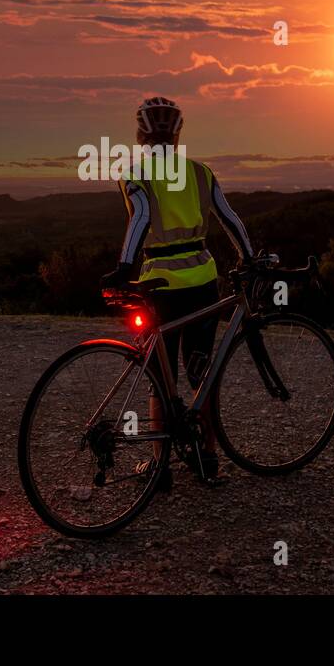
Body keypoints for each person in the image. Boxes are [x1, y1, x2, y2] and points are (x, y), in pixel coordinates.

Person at [101, 96, 255, 488]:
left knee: (159, 376)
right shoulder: (201, 173)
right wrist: (250, 257)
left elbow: (143, 219)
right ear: (178, 133)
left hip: (161, 286)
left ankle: (160, 467)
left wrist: (123, 268)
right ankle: (208, 460)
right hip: (203, 281)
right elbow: (229, 218)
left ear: (139, 134)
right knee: (203, 371)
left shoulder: (136, 174)